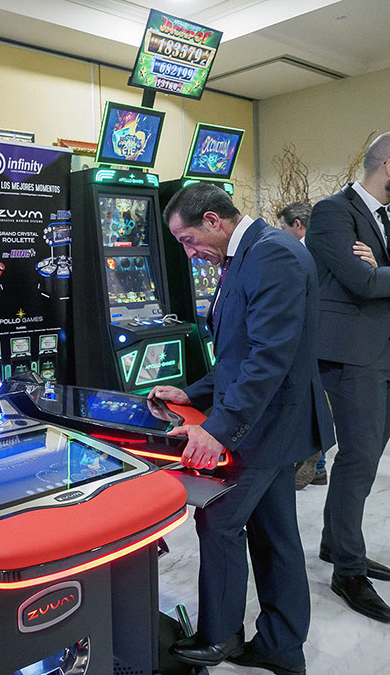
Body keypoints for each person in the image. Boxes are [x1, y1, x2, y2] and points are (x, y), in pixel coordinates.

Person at [150, 184, 333, 675]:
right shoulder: (250, 253)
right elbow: (237, 353)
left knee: (219, 520)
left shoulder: (274, 255)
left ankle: (220, 637)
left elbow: (268, 358)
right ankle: (281, 646)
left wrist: (219, 429)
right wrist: (192, 393)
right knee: (275, 534)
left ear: (213, 220)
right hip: (268, 421)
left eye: (189, 240)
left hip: (268, 424)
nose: (189, 254)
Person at [306, 132, 390, 624]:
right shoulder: (332, 213)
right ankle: (348, 570)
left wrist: (383, 272)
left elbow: (381, 278)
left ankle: (335, 543)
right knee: (359, 458)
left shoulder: (384, 218)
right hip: (352, 356)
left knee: (367, 457)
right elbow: (363, 282)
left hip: (382, 353)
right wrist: (378, 274)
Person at [277, 202, 379, 490]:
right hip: (338, 341)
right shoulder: (345, 248)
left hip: (313, 339)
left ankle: (312, 459)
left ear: (298, 225)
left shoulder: (301, 252)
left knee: (312, 403)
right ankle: (317, 466)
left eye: (284, 227)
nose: (282, 233)